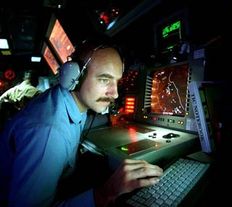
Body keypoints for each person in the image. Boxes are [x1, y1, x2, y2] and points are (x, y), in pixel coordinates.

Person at [0, 41, 163, 207]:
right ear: (74, 77)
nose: (115, 93)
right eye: (104, 79)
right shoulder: (49, 135)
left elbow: (77, 121)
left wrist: (109, 119)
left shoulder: (64, 100)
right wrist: (107, 192)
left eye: (116, 82)